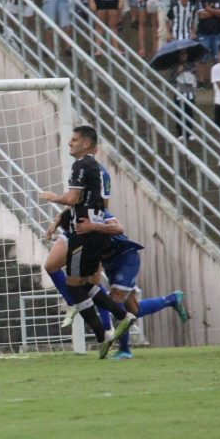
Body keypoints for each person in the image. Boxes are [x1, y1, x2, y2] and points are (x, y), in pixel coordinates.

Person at [39, 126, 134, 349]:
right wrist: (62, 219)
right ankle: (122, 317)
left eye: (74, 140)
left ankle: (103, 334)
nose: (69, 143)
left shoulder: (81, 165)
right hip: (92, 233)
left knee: (74, 287)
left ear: (86, 144)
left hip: (83, 234)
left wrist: (53, 197)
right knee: (87, 285)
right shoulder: (98, 170)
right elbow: (100, 204)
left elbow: (73, 198)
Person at [74, 210, 189, 359]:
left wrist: (93, 226)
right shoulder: (74, 225)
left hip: (125, 257)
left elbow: (118, 228)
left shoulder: (95, 211)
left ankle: (124, 349)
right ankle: (172, 299)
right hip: (110, 265)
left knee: (115, 299)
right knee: (134, 310)